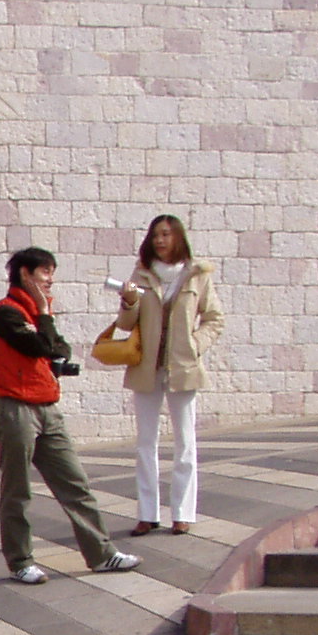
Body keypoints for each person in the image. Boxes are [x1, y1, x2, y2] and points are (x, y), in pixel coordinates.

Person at [0, 248, 140, 585]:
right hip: (16, 409)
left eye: (51, 272)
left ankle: (101, 554)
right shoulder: (6, 313)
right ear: (25, 274)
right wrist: (44, 315)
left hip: (47, 407)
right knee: (18, 490)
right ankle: (20, 561)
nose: (50, 279)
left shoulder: (40, 314)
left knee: (75, 484)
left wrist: (45, 319)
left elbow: (60, 349)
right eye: (44, 272)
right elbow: (41, 347)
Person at [116, 214, 226, 536]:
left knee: (185, 442)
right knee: (145, 443)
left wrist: (195, 345)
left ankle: (183, 512)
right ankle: (147, 513)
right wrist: (128, 301)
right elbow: (125, 324)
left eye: (166, 234)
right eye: (155, 235)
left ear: (178, 237)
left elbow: (214, 318)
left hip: (183, 367)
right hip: (146, 367)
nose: (160, 240)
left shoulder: (197, 274)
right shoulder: (141, 274)